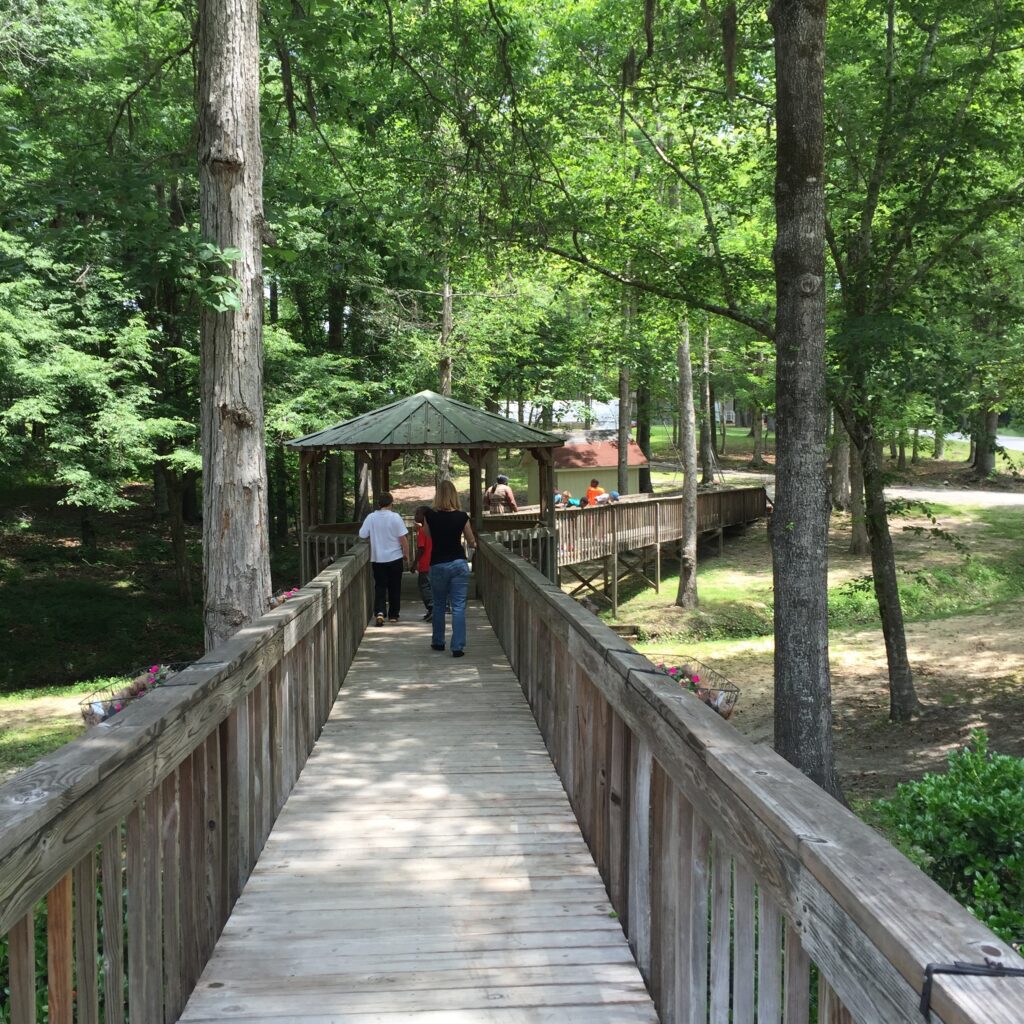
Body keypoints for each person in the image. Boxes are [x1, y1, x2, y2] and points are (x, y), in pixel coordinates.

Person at [422, 480, 476, 657]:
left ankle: (438, 641)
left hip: (437, 563)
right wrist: (474, 545)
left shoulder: (429, 515)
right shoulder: (462, 516)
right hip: (458, 563)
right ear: (454, 495)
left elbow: (427, 535)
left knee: (438, 604)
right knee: (458, 606)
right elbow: (470, 540)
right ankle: (458, 647)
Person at [358, 491, 410, 627]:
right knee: (395, 586)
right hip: (395, 557)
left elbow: (362, 534)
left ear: (378, 504)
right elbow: (403, 538)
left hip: (378, 558)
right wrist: (406, 553)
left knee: (380, 586)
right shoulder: (395, 517)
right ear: (391, 503)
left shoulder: (371, 517)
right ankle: (393, 615)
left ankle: (380, 612)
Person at [410, 506, 433, 621]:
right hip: (435, 562)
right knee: (432, 586)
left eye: (417, 514)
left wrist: (414, 563)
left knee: (424, 587)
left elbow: (421, 548)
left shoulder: (422, 530)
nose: (415, 516)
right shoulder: (434, 528)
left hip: (425, 563)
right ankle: (431, 610)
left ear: (424, 517)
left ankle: (431, 607)